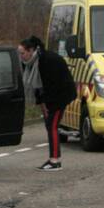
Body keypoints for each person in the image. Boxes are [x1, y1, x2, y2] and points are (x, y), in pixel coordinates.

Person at [18, 36, 76, 170]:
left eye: (22, 53)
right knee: (50, 126)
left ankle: (54, 161)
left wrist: (48, 106)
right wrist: (41, 103)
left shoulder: (47, 60)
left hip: (60, 96)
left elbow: (52, 85)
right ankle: (54, 159)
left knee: (52, 126)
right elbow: (37, 86)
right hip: (50, 97)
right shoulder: (32, 62)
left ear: (31, 50)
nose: (21, 56)